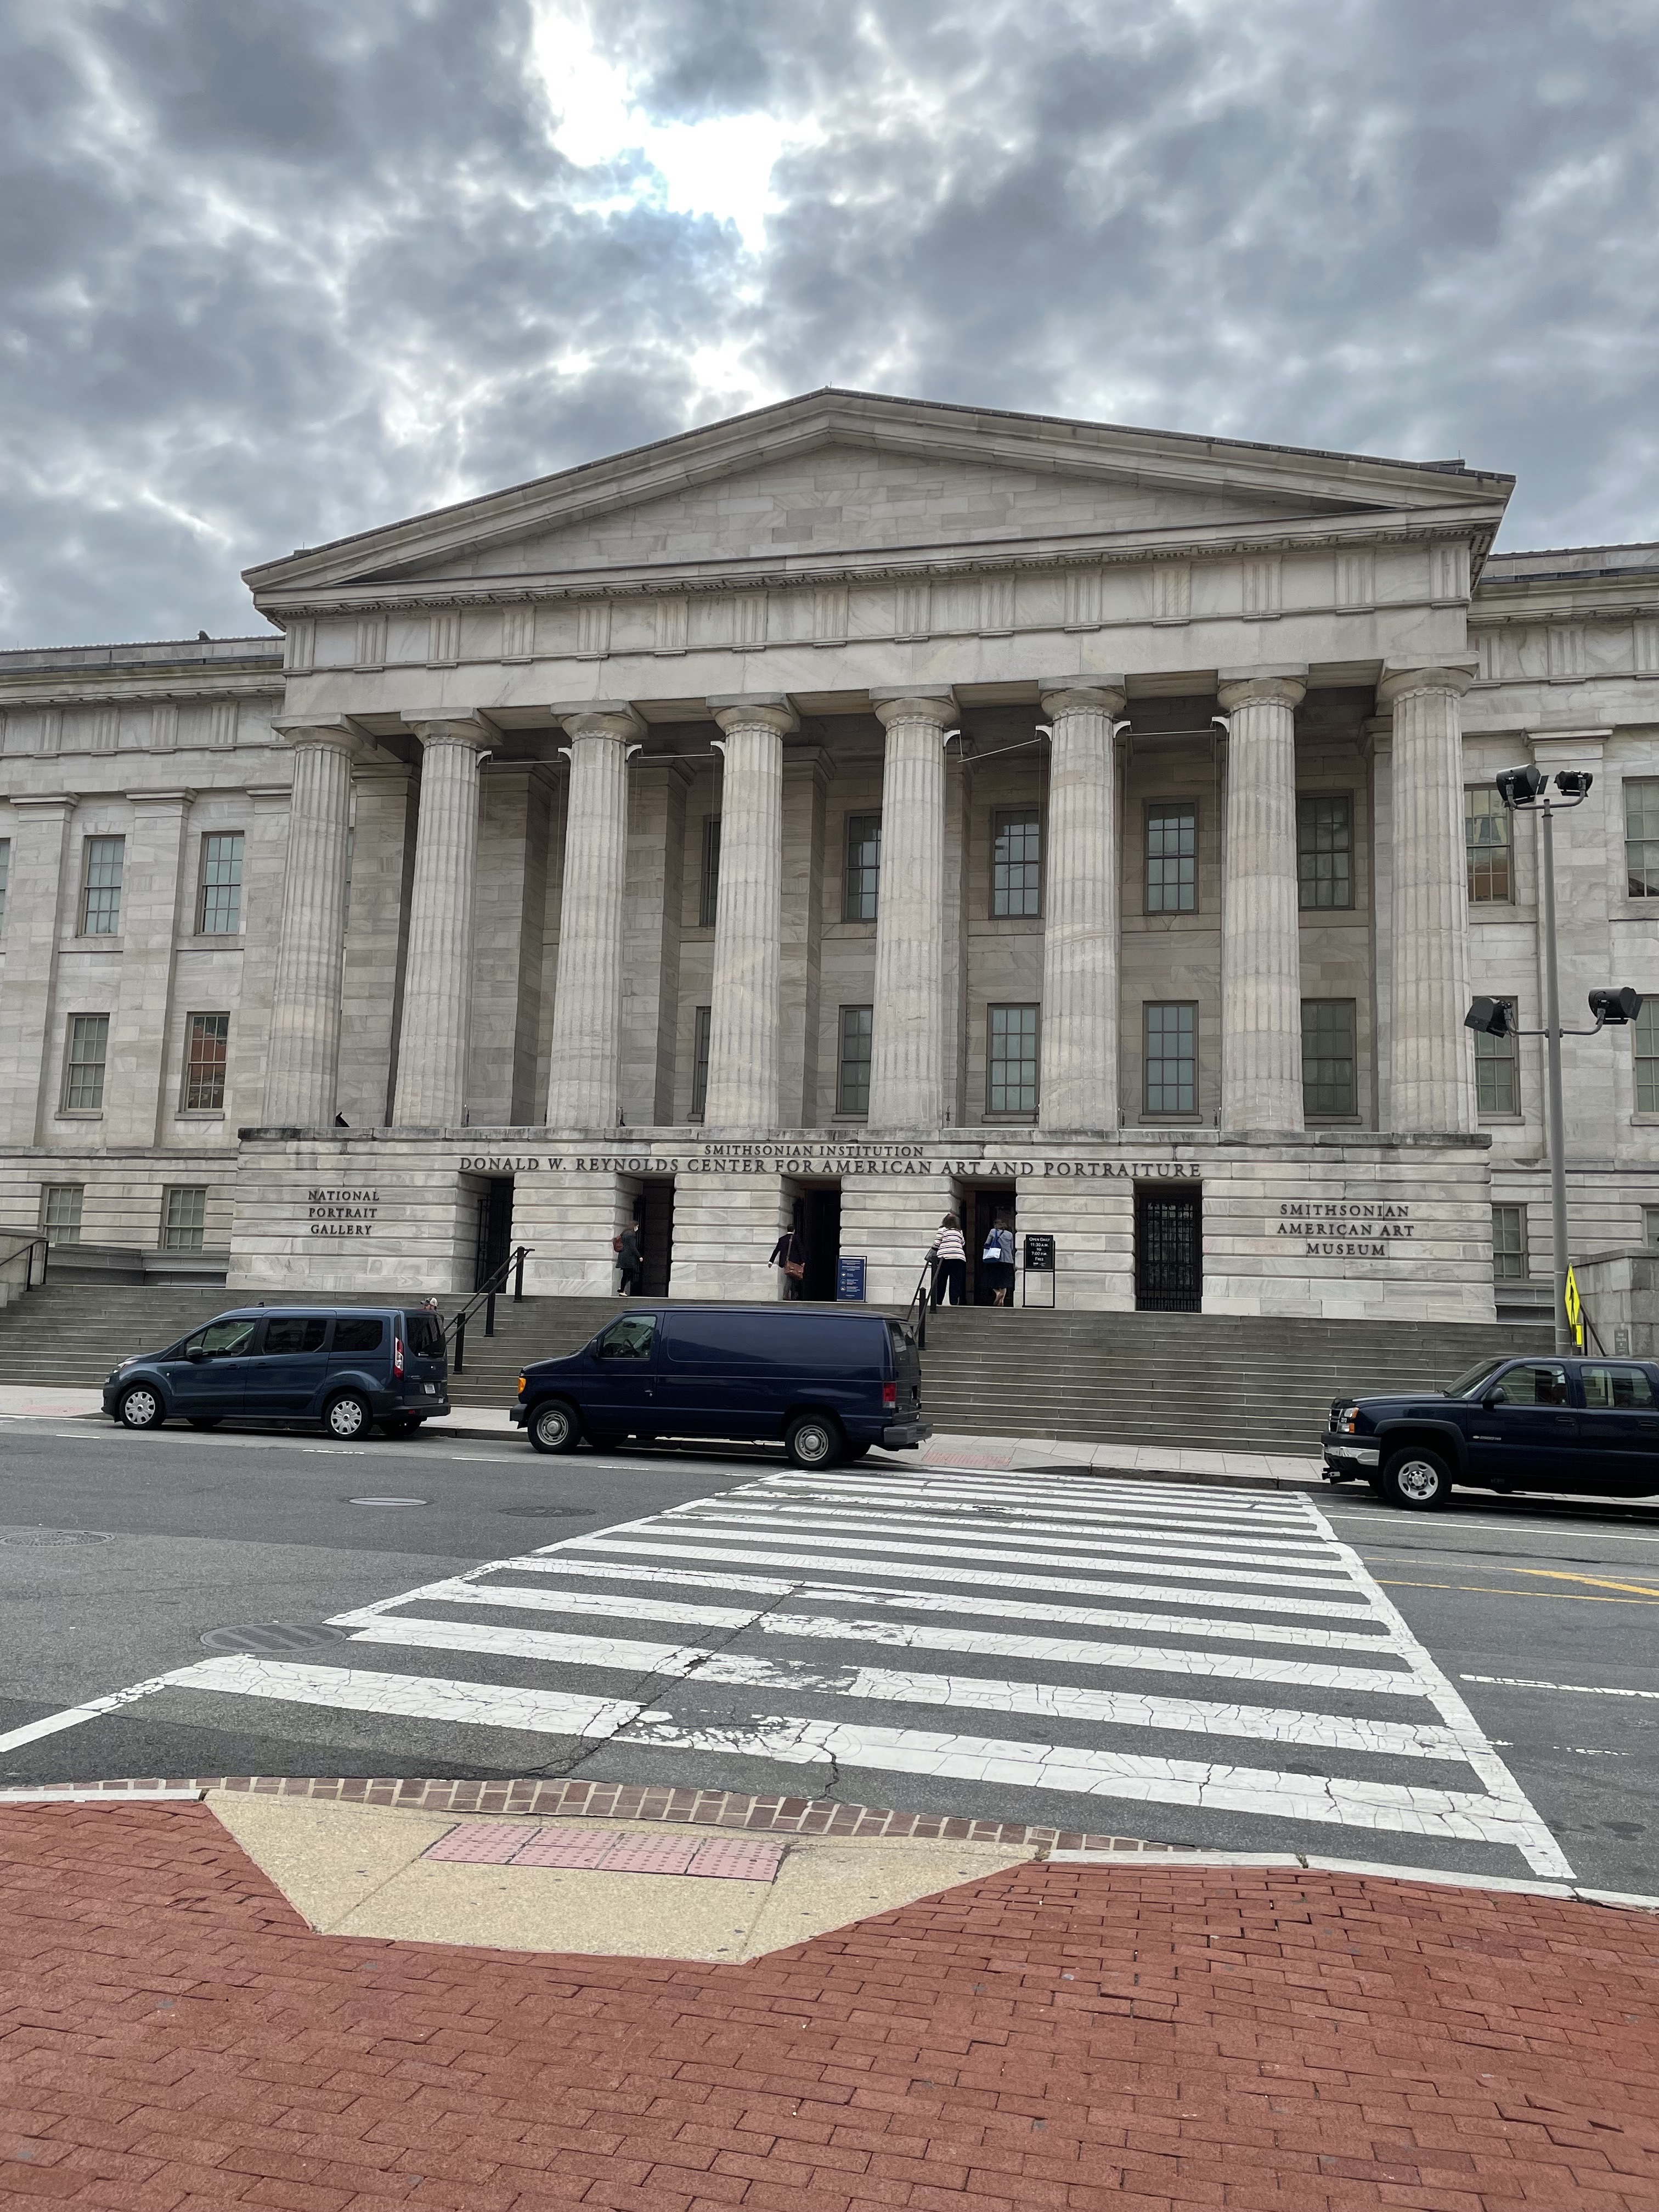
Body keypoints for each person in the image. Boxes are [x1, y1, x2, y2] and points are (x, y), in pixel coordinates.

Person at [929, 1215, 967, 1308]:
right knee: (956, 1280)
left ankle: (938, 1301)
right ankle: (954, 1302)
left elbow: (936, 1243)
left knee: (942, 1279)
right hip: (959, 1257)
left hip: (944, 1258)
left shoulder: (942, 1230)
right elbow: (963, 1243)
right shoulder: (959, 1231)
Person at [983, 1215, 1016, 1305]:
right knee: (1004, 1281)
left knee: (992, 1278)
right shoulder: (1009, 1234)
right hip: (1008, 1260)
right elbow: (1012, 1248)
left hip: (995, 1259)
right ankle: (1002, 1300)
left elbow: (987, 1243)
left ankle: (998, 1293)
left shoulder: (993, 1231)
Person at [770, 1223, 805, 1296]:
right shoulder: (796, 1238)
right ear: (794, 1230)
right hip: (793, 1262)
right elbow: (800, 1250)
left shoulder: (782, 1239)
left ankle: (793, 1294)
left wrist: (771, 1261)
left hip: (785, 1261)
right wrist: (803, 1261)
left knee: (792, 1276)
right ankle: (787, 1294)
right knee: (791, 1276)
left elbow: (776, 1251)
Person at [613, 1220, 644, 1297]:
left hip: (623, 1255)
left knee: (626, 1274)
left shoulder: (624, 1233)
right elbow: (633, 1247)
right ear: (634, 1226)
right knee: (629, 1274)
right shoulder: (631, 1235)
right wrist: (639, 1256)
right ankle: (622, 1290)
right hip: (628, 1257)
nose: (637, 1229)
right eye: (637, 1227)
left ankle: (622, 1288)